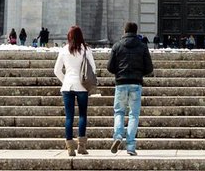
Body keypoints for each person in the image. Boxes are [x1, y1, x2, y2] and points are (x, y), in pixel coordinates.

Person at [107, 21, 153, 156]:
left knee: (119, 112)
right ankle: (131, 146)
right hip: (136, 83)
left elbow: (110, 67)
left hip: (121, 83)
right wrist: (139, 74)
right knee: (133, 114)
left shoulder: (117, 46)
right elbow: (149, 68)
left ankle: (118, 136)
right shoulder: (142, 46)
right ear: (136, 31)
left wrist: (119, 72)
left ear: (124, 31)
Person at [54, 24, 97, 156]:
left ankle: (70, 147)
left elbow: (56, 70)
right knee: (83, 115)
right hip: (82, 86)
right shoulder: (86, 49)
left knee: (69, 117)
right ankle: (82, 146)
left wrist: (65, 80)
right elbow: (93, 69)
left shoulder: (64, 50)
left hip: (67, 86)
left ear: (69, 36)